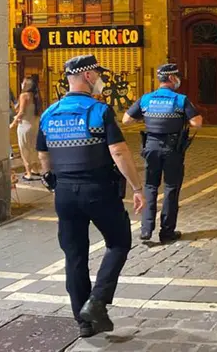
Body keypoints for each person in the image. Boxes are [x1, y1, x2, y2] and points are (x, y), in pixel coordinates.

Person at [37, 55, 145, 338]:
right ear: (86, 76)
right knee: (119, 241)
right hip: (98, 191)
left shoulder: (50, 113)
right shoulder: (99, 111)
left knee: (74, 256)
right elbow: (119, 152)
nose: (99, 77)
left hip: (64, 194)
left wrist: (52, 182)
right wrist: (136, 187)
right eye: (96, 73)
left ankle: (84, 324)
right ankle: (96, 302)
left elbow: (43, 155)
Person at [122, 63, 202, 243]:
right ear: (172, 78)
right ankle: (167, 232)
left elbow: (126, 120)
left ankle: (146, 229)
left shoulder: (146, 99)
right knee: (171, 188)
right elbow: (197, 122)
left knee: (150, 187)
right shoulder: (180, 99)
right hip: (172, 149)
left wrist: (147, 117)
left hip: (150, 147)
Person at [11, 76, 42, 180]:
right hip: (35, 126)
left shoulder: (24, 95)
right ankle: (36, 169)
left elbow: (21, 112)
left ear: (26, 85)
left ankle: (28, 173)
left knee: (24, 149)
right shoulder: (36, 96)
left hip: (25, 126)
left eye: (23, 82)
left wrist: (13, 123)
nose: (21, 84)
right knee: (33, 148)